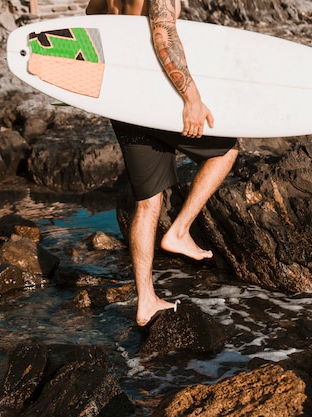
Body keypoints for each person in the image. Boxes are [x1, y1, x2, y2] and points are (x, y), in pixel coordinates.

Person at [86, 0, 239, 327]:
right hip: (153, 97)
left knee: (148, 204)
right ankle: (180, 231)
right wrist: (192, 99)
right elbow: (164, 37)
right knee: (226, 151)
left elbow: (94, 20)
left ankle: (146, 302)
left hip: (122, 100)